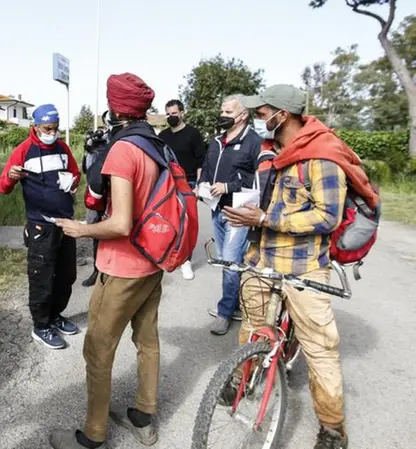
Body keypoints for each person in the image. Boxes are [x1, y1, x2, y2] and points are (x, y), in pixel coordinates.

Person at [223, 84, 377, 449]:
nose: (257, 119)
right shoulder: (269, 152)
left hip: (305, 269)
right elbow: (262, 200)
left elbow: (326, 216)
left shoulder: (322, 158)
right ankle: (241, 380)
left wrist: (265, 218)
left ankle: (333, 430)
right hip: (260, 261)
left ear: (283, 114)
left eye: (262, 113)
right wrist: (246, 212)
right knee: (251, 327)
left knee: (320, 350)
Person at [49, 72, 163, 449]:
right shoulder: (157, 145)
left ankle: (93, 436)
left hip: (122, 266)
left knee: (98, 350)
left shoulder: (124, 149)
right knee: (147, 341)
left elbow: (121, 222)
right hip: (153, 262)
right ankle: (144, 417)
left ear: (114, 107)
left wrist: (80, 230)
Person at [0, 104, 81, 350]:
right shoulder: (23, 151)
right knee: (42, 277)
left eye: (55, 128)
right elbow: (3, 187)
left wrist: (72, 183)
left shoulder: (63, 148)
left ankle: (55, 315)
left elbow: (75, 173)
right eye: (47, 128)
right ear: (35, 127)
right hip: (40, 226)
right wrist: (11, 176)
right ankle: (41, 325)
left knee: (66, 275)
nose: (52, 133)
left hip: (66, 222)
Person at [197, 94, 262, 336]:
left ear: (243, 115)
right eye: (222, 111)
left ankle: (224, 313)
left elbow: (258, 176)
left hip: (239, 211)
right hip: (217, 208)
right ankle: (237, 303)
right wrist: (202, 184)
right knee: (226, 259)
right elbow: (207, 166)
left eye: (228, 112)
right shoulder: (216, 140)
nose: (223, 116)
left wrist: (228, 186)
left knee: (231, 262)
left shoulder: (254, 142)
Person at [158, 99, 207, 280]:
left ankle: (186, 260)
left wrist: (199, 185)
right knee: (169, 222)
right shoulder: (162, 136)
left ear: (182, 112)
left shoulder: (193, 134)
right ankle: (170, 255)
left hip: (189, 183)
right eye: (168, 114)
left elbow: (201, 160)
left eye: (174, 113)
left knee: (187, 224)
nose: (171, 117)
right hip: (168, 184)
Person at [80, 121, 109, 287]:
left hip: (109, 195)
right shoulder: (91, 151)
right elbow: (86, 170)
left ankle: (108, 271)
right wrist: (87, 150)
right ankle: (97, 270)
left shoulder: (113, 143)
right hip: (94, 195)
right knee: (96, 234)